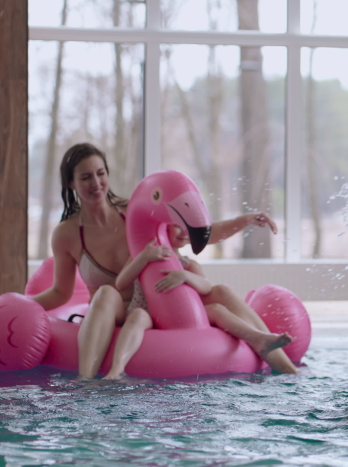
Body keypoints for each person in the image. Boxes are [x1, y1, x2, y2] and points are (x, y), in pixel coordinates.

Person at [32, 143, 282, 379]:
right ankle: (86, 381)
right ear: (71, 182)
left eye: (101, 173)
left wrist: (245, 220)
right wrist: (25, 303)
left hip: (161, 304)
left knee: (222, 293)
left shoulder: (133, 211)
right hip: (120, 312)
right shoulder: (66, 234)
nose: (96, 183)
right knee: (107, 292)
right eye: (86, 177)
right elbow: (60, 293)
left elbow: (195, 232)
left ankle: (284, 364)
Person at [104, 225, 297, 379]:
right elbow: (121, 283)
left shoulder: (189, 264)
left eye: (188, 228)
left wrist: (184, 276)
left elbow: (206, 287)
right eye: (177, 226)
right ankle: (116, 369)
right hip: (144, 312)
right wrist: (144, 257)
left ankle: (258, 338)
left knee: (216, 309)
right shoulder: (145, 254)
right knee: (138, 316)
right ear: (163, 227)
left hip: (178, 320)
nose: (184, 232)